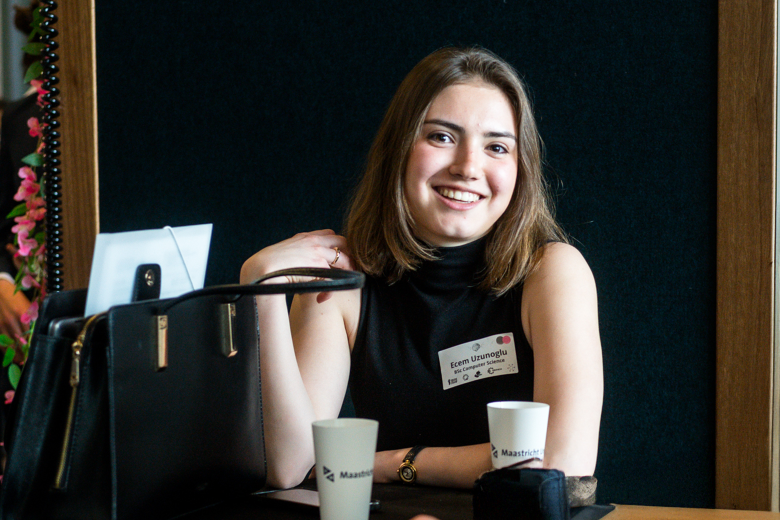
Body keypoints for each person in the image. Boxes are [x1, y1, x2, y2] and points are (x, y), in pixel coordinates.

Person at [241, 46, 603, 490]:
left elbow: (561, 462)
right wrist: (261, 294)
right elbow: (289, 466)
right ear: (399, 150)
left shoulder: (551, 272)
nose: (469, 166)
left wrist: (396, 463)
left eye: (496, 146)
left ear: (520, 168)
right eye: (441, 137)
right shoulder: (342, 282)